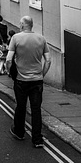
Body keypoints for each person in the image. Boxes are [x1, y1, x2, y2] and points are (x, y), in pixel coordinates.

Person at [6, 16, 51, 148]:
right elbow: (48, 60)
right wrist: (42, 74)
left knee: (21, 106)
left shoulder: (16, 38)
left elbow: (9, 60)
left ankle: (19, 132)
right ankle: (37, 139)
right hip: (37, 81)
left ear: (21, 25)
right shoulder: (41, 38)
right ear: (31, 25)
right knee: (36, 109)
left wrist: (10, 72)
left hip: (21, 80)